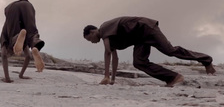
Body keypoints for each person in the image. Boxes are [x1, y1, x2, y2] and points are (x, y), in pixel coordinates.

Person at [83, 16, 216, 87]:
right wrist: (112, 79)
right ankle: (173, 77)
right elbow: (114, 58)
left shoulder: (104, 28)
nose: (92, 42)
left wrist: (105, 76)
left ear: (94, 31)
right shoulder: (110, 39)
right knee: (139, 62)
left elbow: (107, 53)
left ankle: (206, 60)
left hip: (146, 28)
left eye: (90, 39)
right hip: (140, 39)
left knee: (169, 50)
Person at [0, 0, 45, 83]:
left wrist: (7, 78)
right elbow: (28, 56)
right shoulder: (22, 43)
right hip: (28, 5)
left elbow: (4, 56)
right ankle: (35, 46)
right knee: (32, 32)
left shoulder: (3, 39)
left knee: (14, 35)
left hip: (11, 8)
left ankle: (16, 37)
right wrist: (21, 75)